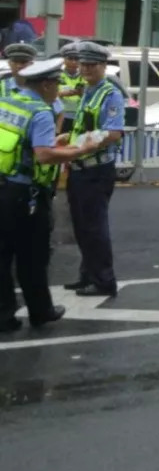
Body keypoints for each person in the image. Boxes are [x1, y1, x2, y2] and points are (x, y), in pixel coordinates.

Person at [0, 59, 95, 332]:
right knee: (33, 255)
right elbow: (43, 155)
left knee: (2, 255)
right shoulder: (41, 112)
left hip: (2, 186)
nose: (59, 89)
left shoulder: (8, 102)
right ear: (45, 84)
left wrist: (55, 141)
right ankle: (41, 312)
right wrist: (79, 150)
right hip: (25, 194)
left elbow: (22, 144)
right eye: (56, 83)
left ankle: (4, 316)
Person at [64, 42, 125, 297]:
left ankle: (104, 281)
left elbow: (113, 132)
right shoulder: (88, 91)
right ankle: (87, 274)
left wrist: (76, 146)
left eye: (92, 65)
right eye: (84, 64)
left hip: (95, 170)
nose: (86, 69)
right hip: (79, 167)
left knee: (94, 228)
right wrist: (68, 138)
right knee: (81, 226)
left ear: (103, 66)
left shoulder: (110, 94)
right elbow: (83, 127)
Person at [57, 43, 85, 134]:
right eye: (70, 58)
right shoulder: (57, 76)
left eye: (76, 59)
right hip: (60, 117)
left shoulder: (84, 76)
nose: (73, 62)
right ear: (64, 60)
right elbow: (48, 95)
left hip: (79, 117)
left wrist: (81, 93)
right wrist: (63, 94)